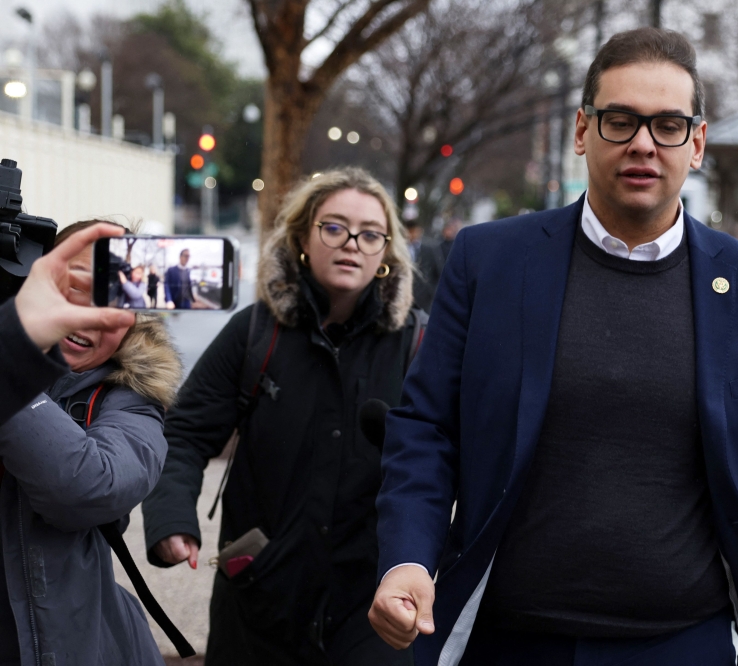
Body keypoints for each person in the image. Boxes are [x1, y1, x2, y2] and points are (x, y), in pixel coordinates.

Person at [370, 28, 738, 666]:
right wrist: (407, 559)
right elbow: (425, 426)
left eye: (668, 124)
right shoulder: (490, 261)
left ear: (696, 144)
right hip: (509, 639)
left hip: (683, 642)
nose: (643, 143)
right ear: (583, 131)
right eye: (620, 120)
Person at [142, 167, 424, 666]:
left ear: (386, 252)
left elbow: (449, 460)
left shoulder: (419, 343)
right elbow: (183, 432)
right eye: (333, 227)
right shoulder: (254, 332)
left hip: (371, 608)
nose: (351, 243)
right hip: (259, 598)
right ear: (301, 238)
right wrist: (171, 516)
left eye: (370, 233)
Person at [0, 219, 181, 665]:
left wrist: (9, 363)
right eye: (75, 285)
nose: (89, 314)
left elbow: (89, 488)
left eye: (116, 296)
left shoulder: (133, 399)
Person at [0, 223, 135, 425]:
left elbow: (98, 459)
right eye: (77, 286)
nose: (89, 316)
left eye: (115, 301)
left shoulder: (137, 400)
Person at [404, 219, 444, 312]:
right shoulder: (399, 248)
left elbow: (439, 271)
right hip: (404, 297)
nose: (411, 235)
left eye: (414, 231)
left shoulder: (430, 248)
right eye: (409, 232)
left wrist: (431, 292)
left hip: (424, 299)